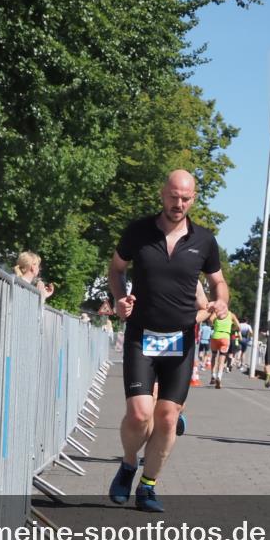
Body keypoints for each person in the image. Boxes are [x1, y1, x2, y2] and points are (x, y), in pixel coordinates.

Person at [107, 170, 228, 513]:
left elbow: (218, 282)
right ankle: (129, 463)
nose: (179, 204)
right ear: (162, 194)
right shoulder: (139, 232)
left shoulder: (204, 240)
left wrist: (221, 301)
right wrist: (119, 299)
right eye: (173, 196)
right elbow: (116, 268)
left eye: (186, 198)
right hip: (141, 334)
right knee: (139, 414)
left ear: (194, 199)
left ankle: (148, 486)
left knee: (167, 418)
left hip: (180, 341)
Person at [208, 309, 239, 388]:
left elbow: (210, 319)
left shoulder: (217, 312)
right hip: (225, 337)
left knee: (214, 356)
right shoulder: (231, 315)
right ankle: (219, 376)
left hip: (215, 336)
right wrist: (232, 328)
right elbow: (238, 326)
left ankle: (213, 375)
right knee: (222, 358)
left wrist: (214, 325)